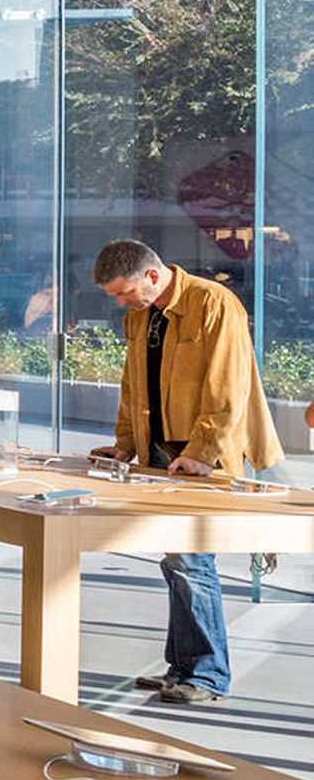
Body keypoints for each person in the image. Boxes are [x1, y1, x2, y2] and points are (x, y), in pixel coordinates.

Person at [89, 239, 284, 705]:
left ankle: (206, 676)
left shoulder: (214, 303)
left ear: (153, 276)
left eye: (124, 292)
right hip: (161, 456)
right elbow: (132, 385)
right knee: (176, 562)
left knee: (193, 562)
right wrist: (124, 445)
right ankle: (182, 667)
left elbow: (228, 389)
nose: (120, 303)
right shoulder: (140, 314)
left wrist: (202, 451)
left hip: (201, 458)